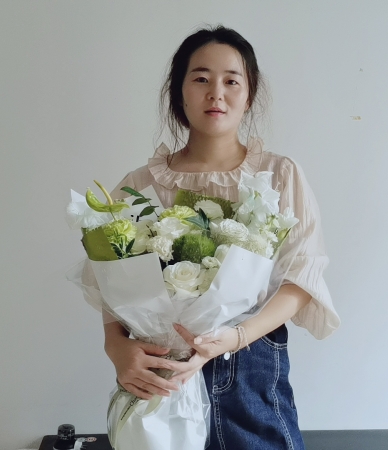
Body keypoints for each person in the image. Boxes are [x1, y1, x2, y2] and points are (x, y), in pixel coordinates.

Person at [99, 25, 340, 449]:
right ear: (179, 92)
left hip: (249, 367)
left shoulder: (278, 175)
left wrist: (238, 337)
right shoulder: (140, 186)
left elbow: (302, 278)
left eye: (232, 81)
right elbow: (109, 278)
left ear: (249, 95)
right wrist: (116, 347)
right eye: (201, 78)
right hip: (162, 373)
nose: (216, 93)